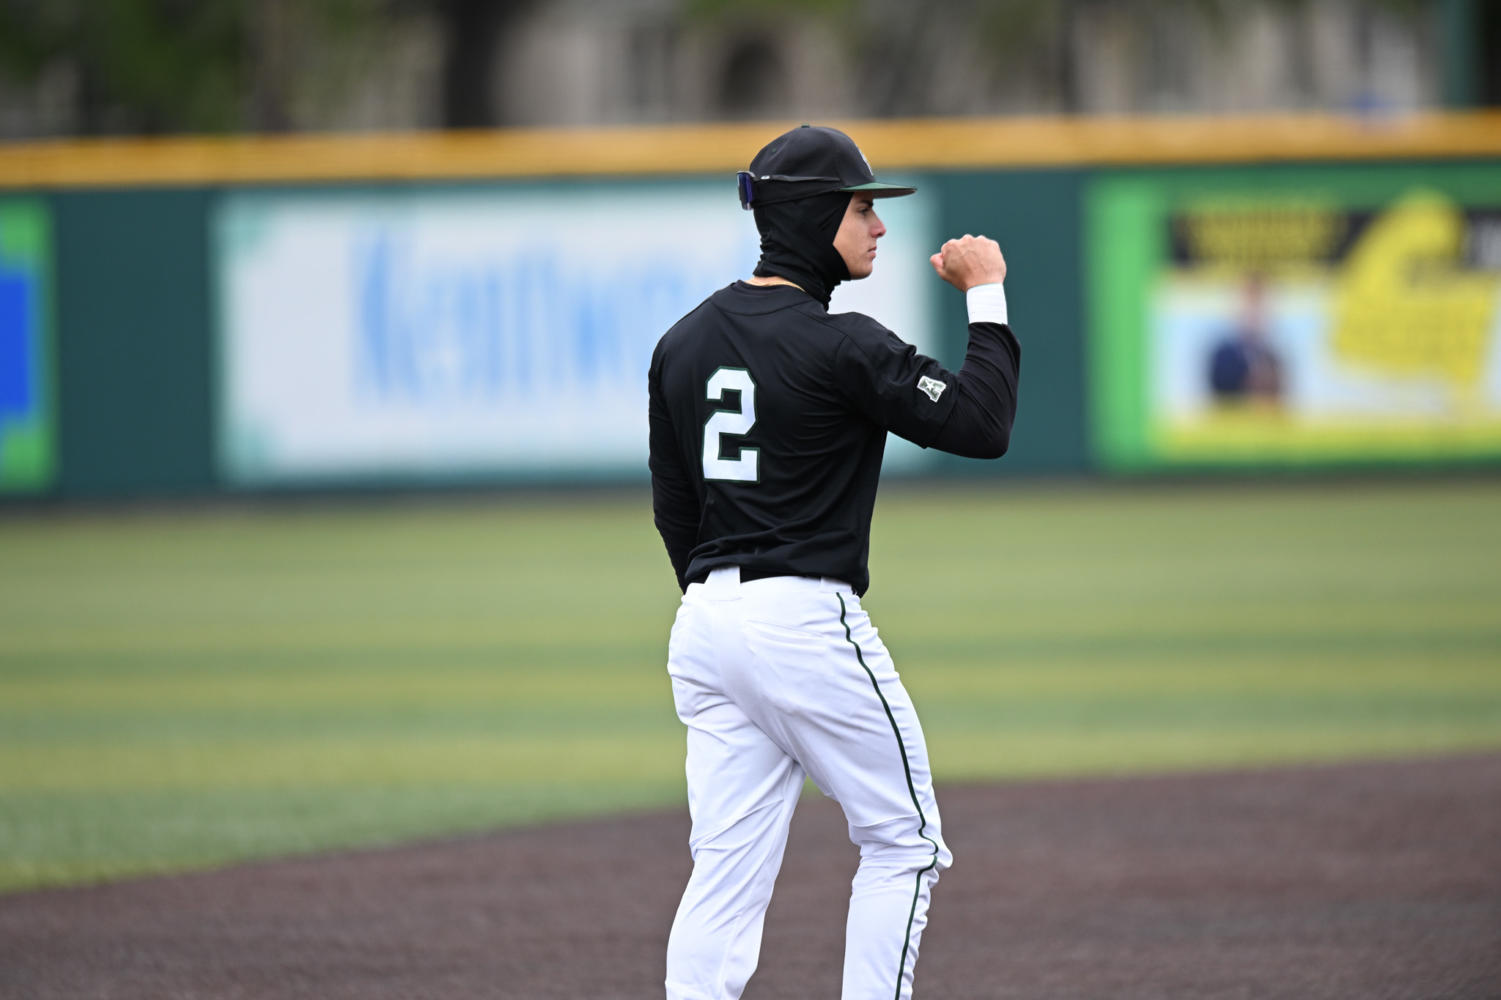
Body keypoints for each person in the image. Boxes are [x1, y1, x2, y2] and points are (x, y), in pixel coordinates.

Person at [647, 124, 1021, 1000]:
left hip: (703, 625)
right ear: (816, 218)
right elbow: (981, 425)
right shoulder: (841, 343)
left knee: (724, 874)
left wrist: (727, 619)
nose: (878, 227)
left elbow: (675, 511)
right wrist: (988, 295)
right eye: (862, 208)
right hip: (799, 623)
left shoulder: (681, 341)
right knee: (905, 841)